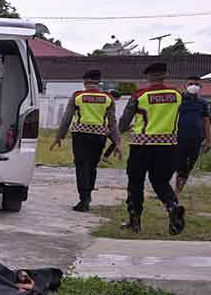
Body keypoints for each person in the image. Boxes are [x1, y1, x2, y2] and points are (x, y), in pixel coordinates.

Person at [117, 61, 186, 234]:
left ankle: (135, 222)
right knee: (161, 181)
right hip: (168, 146)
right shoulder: (177, 95)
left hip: (142, 146)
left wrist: (127, 127)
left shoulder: (140, 95)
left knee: (135, 183)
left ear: (147, 76)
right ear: (165, 76)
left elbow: (123, 124)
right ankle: (173, 206)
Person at [51, 70, 121, 212]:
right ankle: (88, 195)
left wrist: (60, 136)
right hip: (99, 136)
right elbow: (112, 122)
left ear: (85, 81)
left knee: (81, 165)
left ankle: (83, 199)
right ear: (99, 81)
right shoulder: (108, 98)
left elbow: (67, 118)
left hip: (80, 135)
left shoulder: (78, 96)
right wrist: (117, 142)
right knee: (92, 166)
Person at [175, 75, 210, 194]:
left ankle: (178, 192)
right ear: (185, 86)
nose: (193, 87)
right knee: (175, 163)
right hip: (178, 138)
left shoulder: (203, 103)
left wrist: (208, 140)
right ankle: (166, 191)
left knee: (188, 166)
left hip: (196, 139)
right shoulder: (178, 100)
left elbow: (206, 122)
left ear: (200, 87)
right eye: (190, 84)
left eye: (196, 84)